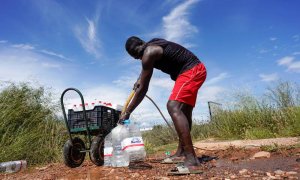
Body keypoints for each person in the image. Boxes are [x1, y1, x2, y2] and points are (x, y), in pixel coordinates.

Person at [119, 36, 207, 169]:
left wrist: (127, 112)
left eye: (138, 56)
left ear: (141, 47)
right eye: (137, 58)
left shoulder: (148, 53)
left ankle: (192, 159)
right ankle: (182, 152)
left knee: (173, 106)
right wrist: (139, 79)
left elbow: (143, 89)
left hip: (191, 71)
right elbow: (144, 73)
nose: (139, 59)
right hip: (195, 69)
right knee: (184, 110)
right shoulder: (152, 45)